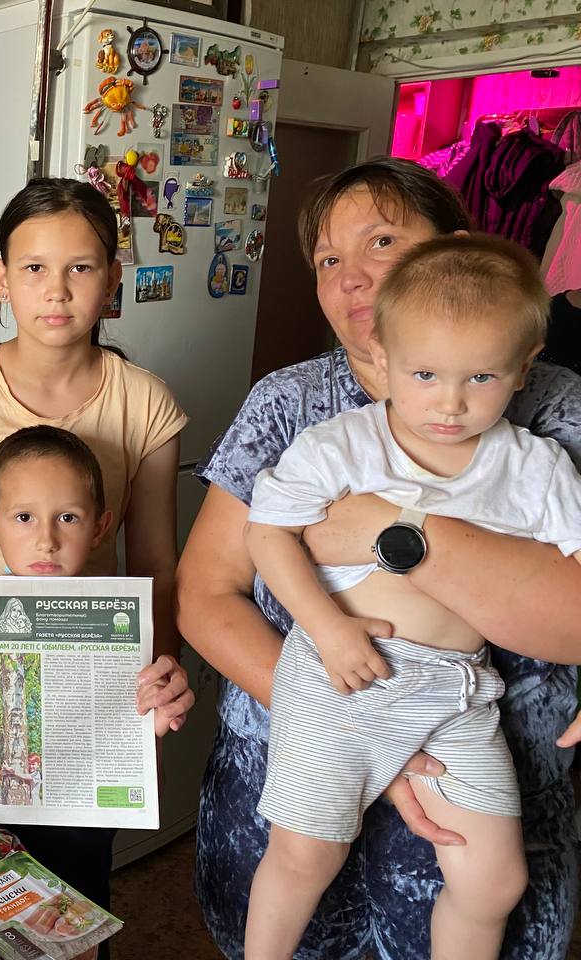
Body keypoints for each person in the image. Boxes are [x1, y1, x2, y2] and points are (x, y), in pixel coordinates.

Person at [176, 157, 581, 960]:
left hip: (474, 738)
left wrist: (393, 532)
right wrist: (354, 718)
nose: (351, 277)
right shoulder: (295, 408)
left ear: (457, 250)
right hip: (312, 729)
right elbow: (207, 593)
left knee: (489, 889)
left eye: (382, 241)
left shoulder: (550, 417)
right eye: (328, 259)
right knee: (293, 888)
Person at [0, 177, 193, 746]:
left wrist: (164, 669)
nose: (57, 291)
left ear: (112, 280)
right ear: (2, 279)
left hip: (96, 673)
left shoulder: (145, 403)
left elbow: (155, 565)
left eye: (80, 268)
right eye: (34, 268)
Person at [0, 426, 191, 918]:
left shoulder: (126, 622)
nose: (46, 540)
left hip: (82, 843)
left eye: (68, 517)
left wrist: (154, 727)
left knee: (78, 932)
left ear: (100, 527)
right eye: (24, 517)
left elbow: (146, 759)